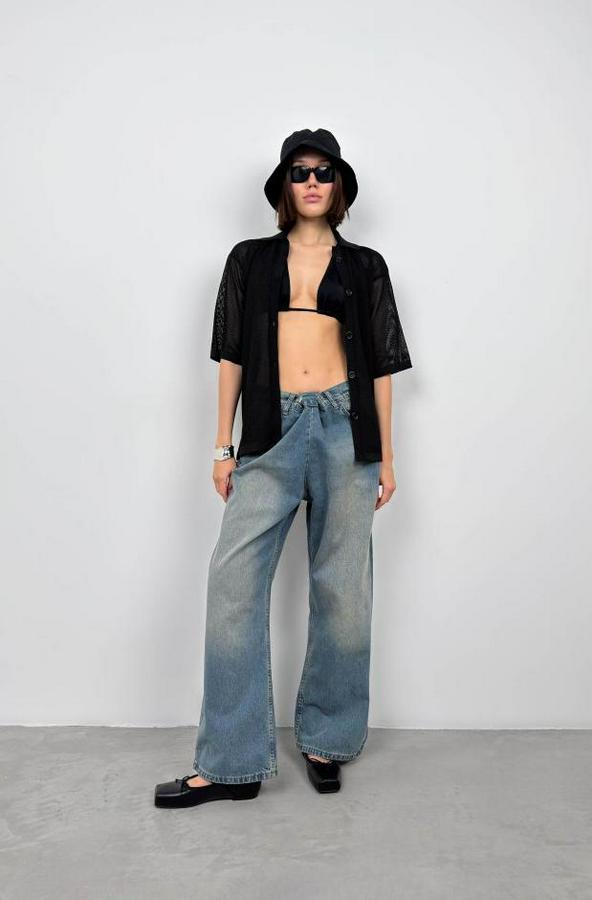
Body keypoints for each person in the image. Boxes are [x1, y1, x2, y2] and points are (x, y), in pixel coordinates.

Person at [154, 128, 412, 808]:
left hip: (344, 431)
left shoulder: (366, 266)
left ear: (339, 185)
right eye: (300, 172)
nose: (312, 182)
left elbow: (382, 367)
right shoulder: (249, 260)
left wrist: (386, 455)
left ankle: (327, 739)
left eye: (324, 172)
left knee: (344, 592)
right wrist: (222, 445)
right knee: (232, 586)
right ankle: (231, 762)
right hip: (270, 430)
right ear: (284, 186)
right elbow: (232, 354)